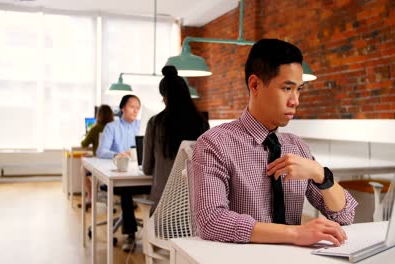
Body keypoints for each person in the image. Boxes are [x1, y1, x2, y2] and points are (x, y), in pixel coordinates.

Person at [191, 39, 358, 246]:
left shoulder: (297, 147)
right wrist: (296, 234)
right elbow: (212, 221)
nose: (295, 100)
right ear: (255, 85)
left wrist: (320, 174)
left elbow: (345, 216)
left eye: (299, 90)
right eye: (287, 88)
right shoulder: (215, 143)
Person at [143, 65, 209, 214]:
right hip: (194, 208)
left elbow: (147, 168)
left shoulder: (155, 123)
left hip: (162, 208)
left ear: (166, 97)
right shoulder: (202, 123)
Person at [96, 94, 152, 252]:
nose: (135, 110)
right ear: (123, 108)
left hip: (140, 174)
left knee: (158, 185)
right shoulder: (112, 127)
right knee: (126, 189)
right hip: (118, 177)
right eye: (132, 106)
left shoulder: (143, 126)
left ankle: (158, 234)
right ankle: (130, 235)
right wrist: (118, 154)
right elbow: (101, 151)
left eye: (138, 108)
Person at [81, 104, 114, 203]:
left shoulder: (95, 128)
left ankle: (90, 195)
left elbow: (84, 144)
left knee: (82, 168)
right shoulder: (114, 128)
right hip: (112, 161)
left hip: (99, 163)